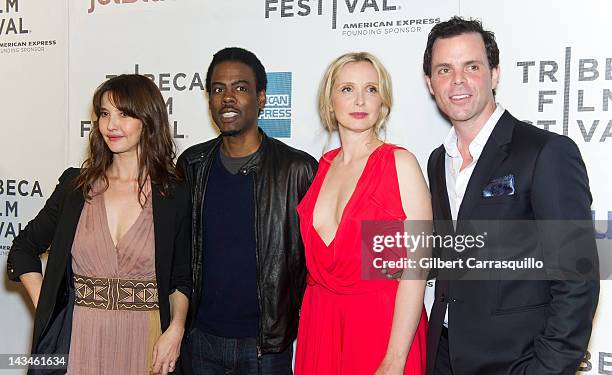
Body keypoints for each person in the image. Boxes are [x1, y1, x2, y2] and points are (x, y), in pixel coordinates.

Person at [422, 16, 599, 375]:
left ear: (495, 73)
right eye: (444, 69)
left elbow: (577, 277)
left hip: (517, 362)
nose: (457, 80)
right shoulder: (438, 160)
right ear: (430, 83)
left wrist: (546, 367)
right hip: (444, 357)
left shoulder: (546, 152)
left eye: (471, 66)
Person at [7, 74, 191, 375]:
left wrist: (176, 329)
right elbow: (23, 249)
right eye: (104, 114)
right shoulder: (75, 188)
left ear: (149, 119)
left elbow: (182, 278)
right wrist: (49, 303)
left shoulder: (174, 193)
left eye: (124, 114)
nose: (111, 125)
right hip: (80, 336)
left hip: (147, 336)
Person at [177, 47, 317, 374]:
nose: (228, 98)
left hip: (265, 348)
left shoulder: (296, 169)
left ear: (262, 98)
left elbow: (315, 264)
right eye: (217, 89)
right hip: (200, 341)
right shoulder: (192, 165)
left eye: (240, 88)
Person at [294, 52, 430, 375]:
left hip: (381, 331)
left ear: (383, 101)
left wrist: (395, 358)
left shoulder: (399, 164)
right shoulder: (322, 168)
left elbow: (418, 267)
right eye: (347, 89)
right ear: (329, 102)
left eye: (371, 89)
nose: (360, 100)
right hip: (320, 327)